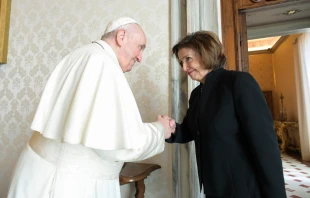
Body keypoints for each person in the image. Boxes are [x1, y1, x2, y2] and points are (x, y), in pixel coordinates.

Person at [7, 17, 175, 198]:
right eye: (140, 47)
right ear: (121, 36)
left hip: (43, 173)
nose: (140, 57)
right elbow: (121, 146)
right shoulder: (103, 63)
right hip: (68, 183)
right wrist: (160, 129)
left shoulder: (82, 54)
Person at [165, 31, 287, 197]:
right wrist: (171, 129)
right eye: (181, 62)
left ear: (206, 53)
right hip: (213, 188)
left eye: (188, 59)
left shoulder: (239, 82)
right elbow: (190, 131)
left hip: (244, 189)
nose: (184, 67)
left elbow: (265, 146)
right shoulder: (196, 94)